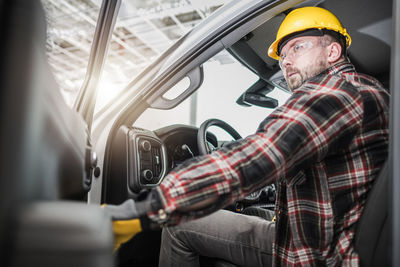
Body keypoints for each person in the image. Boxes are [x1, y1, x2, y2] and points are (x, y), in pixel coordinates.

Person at [104, 6, 389, 266]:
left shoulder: (336, 93)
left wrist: (145, 209)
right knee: (245, 214)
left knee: (179, 226)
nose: (286, 61)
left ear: (332, 52)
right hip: (325, 235)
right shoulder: (362, 91)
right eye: (283, 55)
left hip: (314, 255)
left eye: (297, 47)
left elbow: (258, 156)